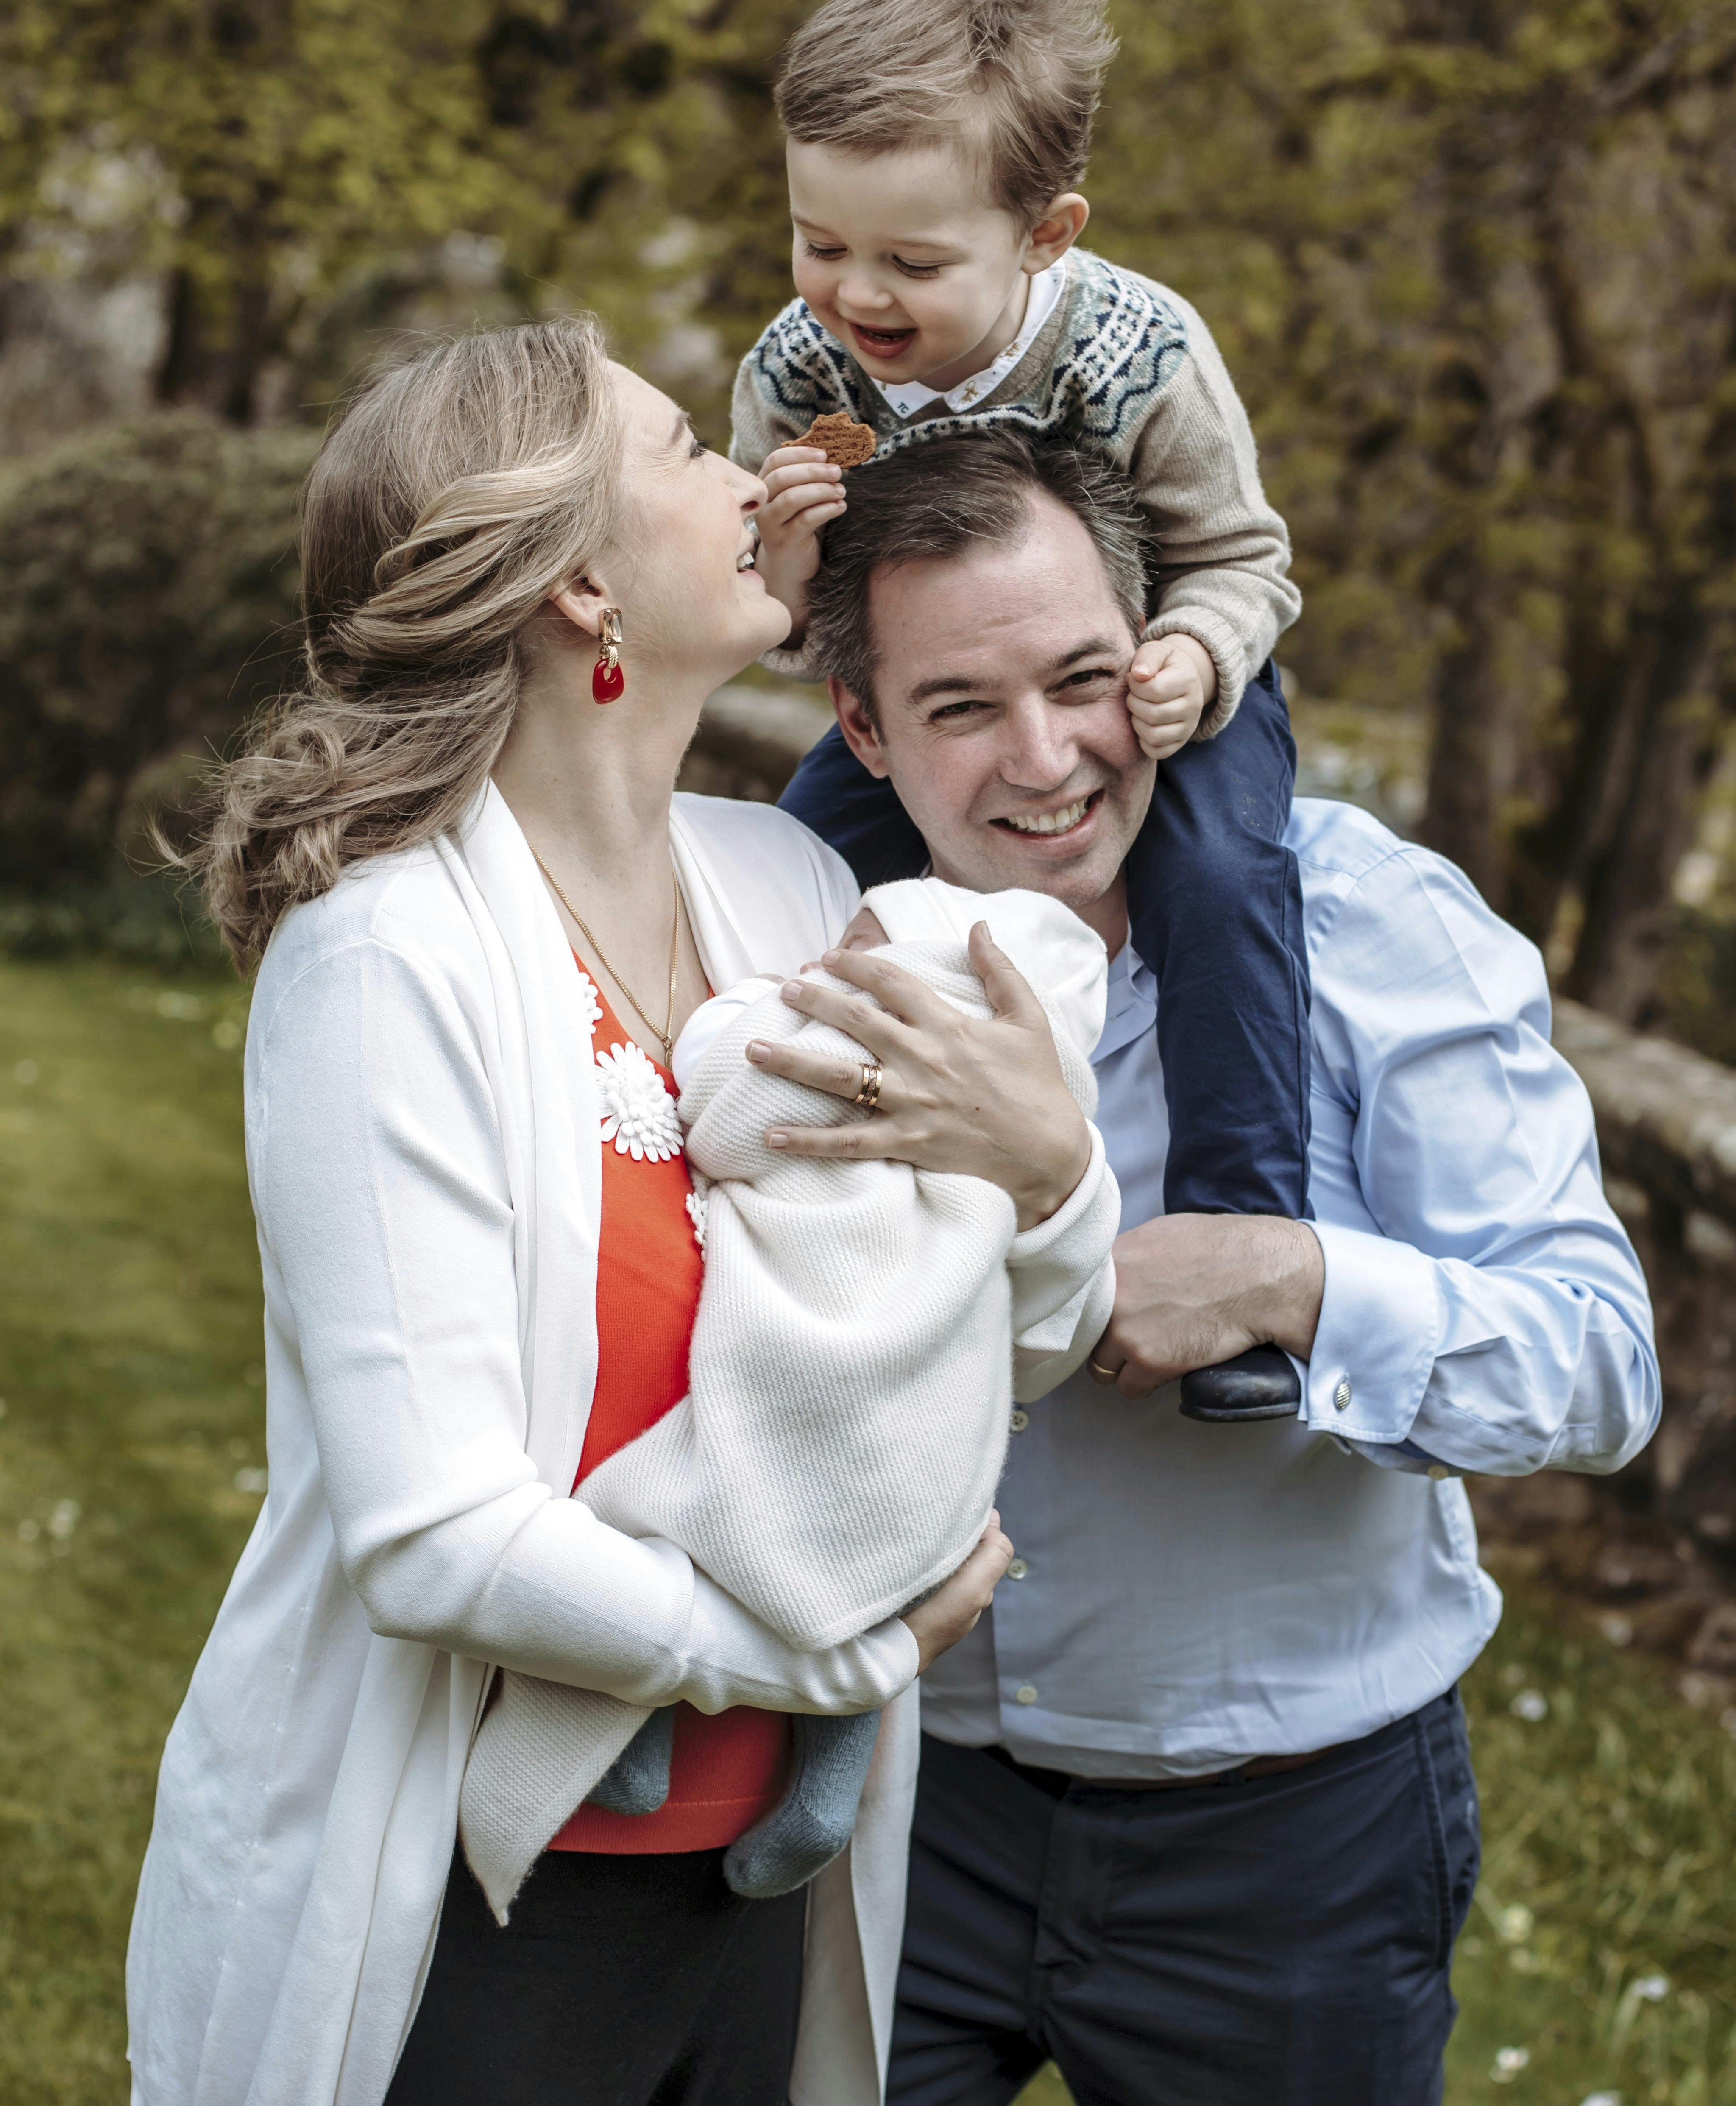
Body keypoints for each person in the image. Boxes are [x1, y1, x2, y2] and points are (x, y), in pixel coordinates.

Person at [124, 320, 1110, 2106]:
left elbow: (994, 1328)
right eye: (685, 449)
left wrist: (1049, 1176)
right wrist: (837, 1651)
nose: (755, 481)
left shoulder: (793, 881)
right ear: (582, 580)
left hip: (764, 1898)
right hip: (467, 1910)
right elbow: (429, 1537)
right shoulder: (387, 956)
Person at [778, 426, 1663, 2106]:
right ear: (865, 725)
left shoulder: (1370, 923)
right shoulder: (803, 951)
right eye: (961, 705)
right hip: (895, 1799)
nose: (1044, 757)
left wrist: (1296, 1279)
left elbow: (1601, 1362)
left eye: (1083, 677)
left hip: (1289, 1845)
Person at [731, 0, 1308, 1418]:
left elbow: (1247, 559)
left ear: (1045, 234)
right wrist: (783, 581)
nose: (851, 293)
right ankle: (767, 1217)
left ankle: (1244, 1227)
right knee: (785, 865)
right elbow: (775, 617)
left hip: (1158, 685)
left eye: (911, 263)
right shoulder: (801, 376)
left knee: (1225, 879)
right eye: (818, 241)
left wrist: (1191, 651)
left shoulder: (1141, 357)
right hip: (923, 705)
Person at [460, 873, 1119, 1919]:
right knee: (881, 1566)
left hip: (823, 1366)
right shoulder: (1023, 1108)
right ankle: (822, 1787)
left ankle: (633, 1716)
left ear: (904, 975)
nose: (825, 956)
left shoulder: (841, 1046)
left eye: (860, 943)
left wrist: (742, 1008)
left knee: (682, 1508)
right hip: (934, 1415)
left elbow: (724, 1110)